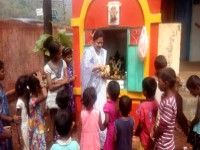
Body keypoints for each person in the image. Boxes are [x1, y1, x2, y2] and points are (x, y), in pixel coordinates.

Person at [80, 29, 107, 147]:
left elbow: (104, 69)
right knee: (91, 110)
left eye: (102, 43)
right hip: (91, 88)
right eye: (98, 43)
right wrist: (97, 67)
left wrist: (105, 73)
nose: (100, 45)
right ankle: (89, 137)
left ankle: (101, 141)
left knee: (101, 109)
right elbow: (85, 67)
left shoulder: (103, 52)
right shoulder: (88, 52)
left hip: (101, 86)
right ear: (93, 41)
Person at [152, 67, 177, 150]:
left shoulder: (168, 103)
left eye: (159, 81)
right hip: (161, 142)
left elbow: (162, 126)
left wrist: (154, 134)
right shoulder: (163, 96)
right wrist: (154, 126)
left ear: (165, 84)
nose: (157, 83)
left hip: (165, 145)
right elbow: (160, 117)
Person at [0, 60, 21, 149]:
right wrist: (12, 118)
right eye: (2, 71)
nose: (4, 73)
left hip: (5, 122)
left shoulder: (1, 85)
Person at [135, 77, 158, 150]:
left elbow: (141, 124)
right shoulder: (156, 104)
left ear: (145, 91)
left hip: (144, 140)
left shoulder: (142, 106)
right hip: (153, 138)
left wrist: (136, 132)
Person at [28, 72, 47, 150]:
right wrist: (40, 80)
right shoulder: (32, 100)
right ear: (37, 87)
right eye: (39, 85)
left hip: (38, 130)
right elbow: (45, 95)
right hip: (37, 132)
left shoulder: (32, 98)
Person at [103, 80, 120, 150]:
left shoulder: (107, 105)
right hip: (119, 128)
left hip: (111, 131)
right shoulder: (120, 103)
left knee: (110, 146)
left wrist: (102, 127)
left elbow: (107, 121)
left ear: (108, 92)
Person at [15, 75, 29, 150]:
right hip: (25, 129)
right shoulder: (19, 103)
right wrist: (19, 136)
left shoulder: (28, 99)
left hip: (30, 126)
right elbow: (18, 121)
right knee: (27, 147)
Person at [186, 75, 200, 150]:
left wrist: (191, 124)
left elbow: (198, 116)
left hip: (198, 131)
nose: (191, 93)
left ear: (197, 88)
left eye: (191, 91)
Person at [62, 47, 76, 116]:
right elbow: (64, 80)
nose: (70, 59)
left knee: (72, 107)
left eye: (71, 57)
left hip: (71, 90)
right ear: (63, 58)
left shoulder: (70, 66)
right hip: (66, 90)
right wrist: (72, 79)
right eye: (68, 57)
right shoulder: (62, 68)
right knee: (66, 106)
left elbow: (74, 75)